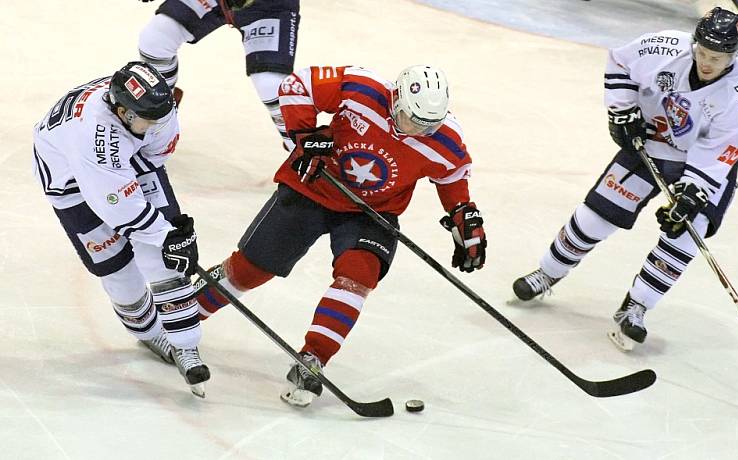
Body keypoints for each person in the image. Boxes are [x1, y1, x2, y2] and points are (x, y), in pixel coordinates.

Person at [193, 65, 487, 406]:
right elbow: (296, 86)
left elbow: (452, 179)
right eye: (411, 119)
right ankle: (183, 316)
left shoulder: (446, 138)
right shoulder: (361, 87)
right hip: (314, 184)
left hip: (371, 211)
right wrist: (305, 138)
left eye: (428, 125)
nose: (418, 130)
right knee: (251, 269)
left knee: (358, 275)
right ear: (396, 99)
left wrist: (464, 219)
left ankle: (313, 359)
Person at [512, 8, 738, 350]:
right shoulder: (664, 48)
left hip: (702, 164)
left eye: (716, 58)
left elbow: (721, 151)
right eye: (702, 52)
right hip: (649, 143)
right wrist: (621, 110)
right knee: (595, 216)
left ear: (733, 55)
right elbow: (620, 61)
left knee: (685, 235)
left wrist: (691, 195)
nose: (706, 62)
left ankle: (636, 307)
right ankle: (548, 273)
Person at [32, 62, 210, 396]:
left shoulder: (159, 107)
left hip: (122, 164)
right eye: (148, 119)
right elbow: (113, 203)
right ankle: (150, 333)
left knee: (164, 256)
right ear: (121, 111)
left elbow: (155, 154)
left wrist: (166, 236)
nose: (156, 123)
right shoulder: (94, 134)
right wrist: (166, 234)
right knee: (116, 268)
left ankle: (187, 345)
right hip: (67, 179)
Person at [137, 0, 300, 150]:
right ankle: (159, 116)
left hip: (267, 6)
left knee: (270, 84)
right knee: (156, 38)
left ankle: (303, 150)